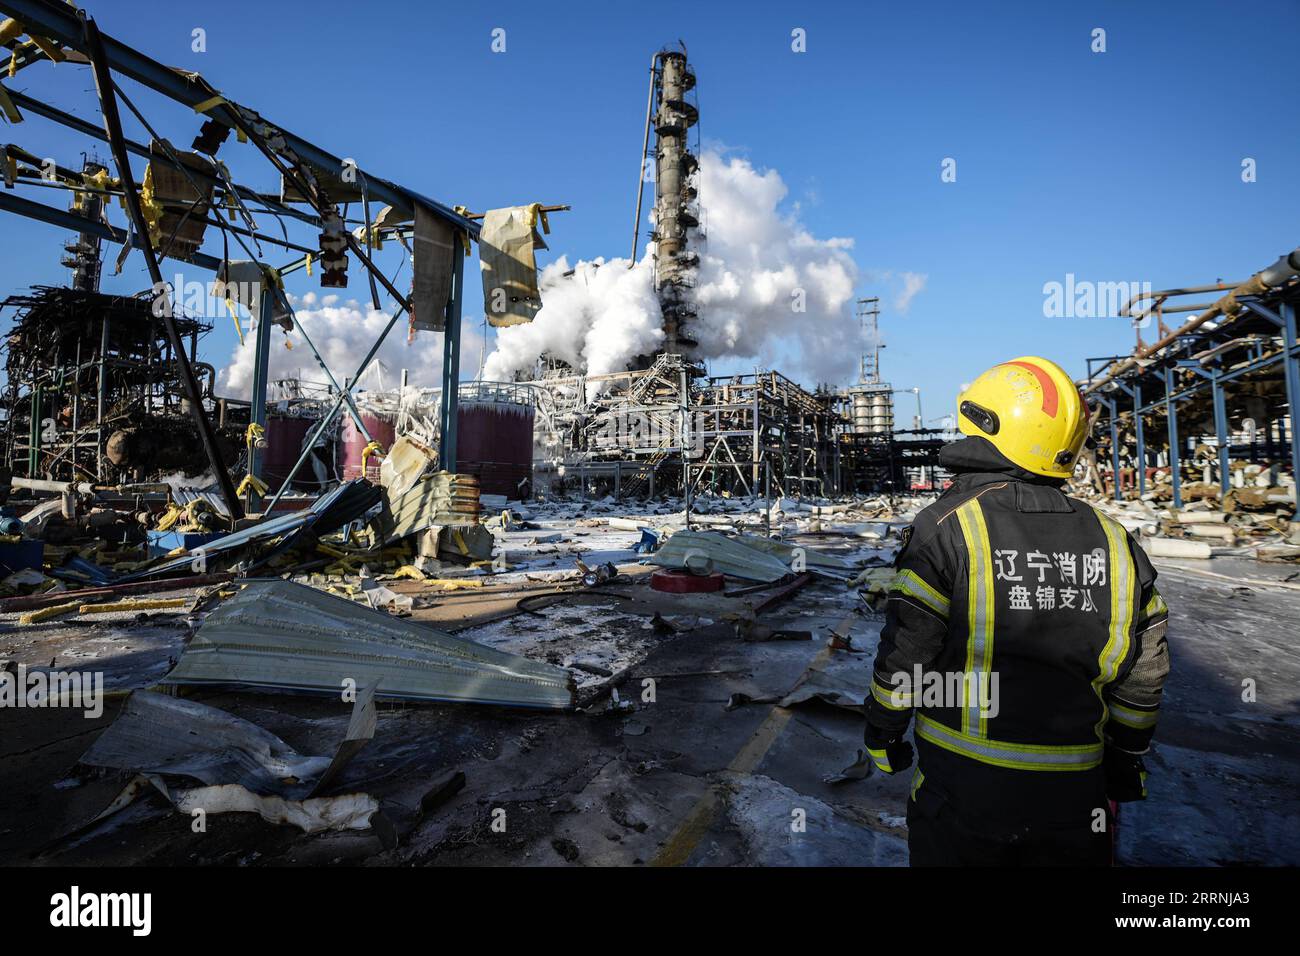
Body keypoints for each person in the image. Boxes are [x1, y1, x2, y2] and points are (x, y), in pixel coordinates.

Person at [864, 356, 1170, 866]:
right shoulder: (1115, 541)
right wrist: (1126, 755)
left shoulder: (947, 527)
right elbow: (1146, 671)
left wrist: (883, 731)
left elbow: (907, 654)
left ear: (984, 426)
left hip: (964, 793)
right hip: (1077, 796)